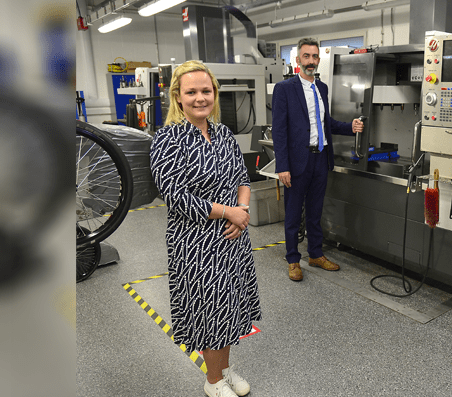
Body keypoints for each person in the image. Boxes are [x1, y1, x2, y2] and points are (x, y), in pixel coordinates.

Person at [150, 60, 260, 397]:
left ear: (214, 93)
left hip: (231, 238)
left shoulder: (223, 133)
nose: (200, 97)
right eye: (192, 92)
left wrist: (240, 212)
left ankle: (223, 370)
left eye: (206, 91)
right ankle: (212, 381)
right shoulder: (168, 139)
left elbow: (243, 177)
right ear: (178, 98)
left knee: (229, 308)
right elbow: (176, 196)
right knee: (209, 310)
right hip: (195, 243)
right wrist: (230, 212)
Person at [272, 37, 364, 281]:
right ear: (297, 59)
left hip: (321, 159)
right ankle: (293, 259)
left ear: (318, 60)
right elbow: (279, 131)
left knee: (315, 211)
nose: (310, 61)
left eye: (314, 57)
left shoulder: (321, 88)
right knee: (293, 213)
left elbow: (327, 123)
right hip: (297, 162)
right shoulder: (285, 89)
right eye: (306, 56)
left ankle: (315, 254)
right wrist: (282, 166)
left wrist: (350, 127)